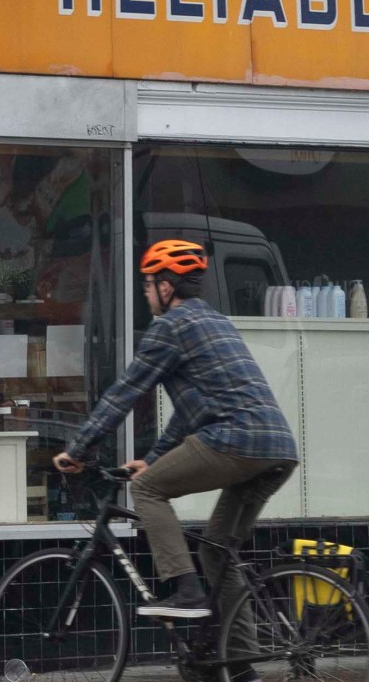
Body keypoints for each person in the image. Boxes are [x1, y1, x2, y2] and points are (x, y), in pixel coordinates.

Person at [60, 240, 301, 641]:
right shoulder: (214, 321)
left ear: (166, 287)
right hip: (277, 448)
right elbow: (191, 412)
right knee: (215, 549)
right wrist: (154, 456)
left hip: (234, 439)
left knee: (146, 489)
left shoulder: (169, 327)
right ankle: (240, 665)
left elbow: (125, 392)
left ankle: (186, 591)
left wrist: (78, 448)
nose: (145, 292)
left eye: (148, 284)